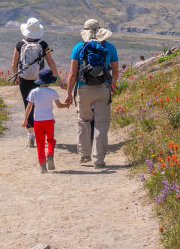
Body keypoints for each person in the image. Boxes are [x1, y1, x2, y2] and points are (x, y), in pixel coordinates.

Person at [65, 19, 119, 169]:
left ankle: (84, 154)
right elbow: (115, 71)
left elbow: (72, 74)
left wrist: (69, 93)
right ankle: (99, 160)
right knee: (102, 124)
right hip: (103, 88)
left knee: (83, 120)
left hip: (84, 89)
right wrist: (113, 85)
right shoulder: (110, 47)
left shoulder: (78, 47)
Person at [11, 17, 60, 148]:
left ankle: (31, 137)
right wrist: (57, 78)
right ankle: (42, 134)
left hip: (24, 79)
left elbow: (14, 64)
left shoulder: (19, 45)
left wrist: (17, 75)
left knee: (28, 105)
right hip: (39, 79)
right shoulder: (43, 45)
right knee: (40, 106)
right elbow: (50, 61)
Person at [24, 68, 67, 173]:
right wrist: (67, 105)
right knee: (51, 140)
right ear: (49, 81)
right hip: (49, 121)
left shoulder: (33, 92)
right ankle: (50, 155)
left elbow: (29, 107)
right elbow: (59, 106)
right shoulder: (52, 92)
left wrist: (25, 120)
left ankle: (42, 165)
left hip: (37, 121)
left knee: (40, 143)